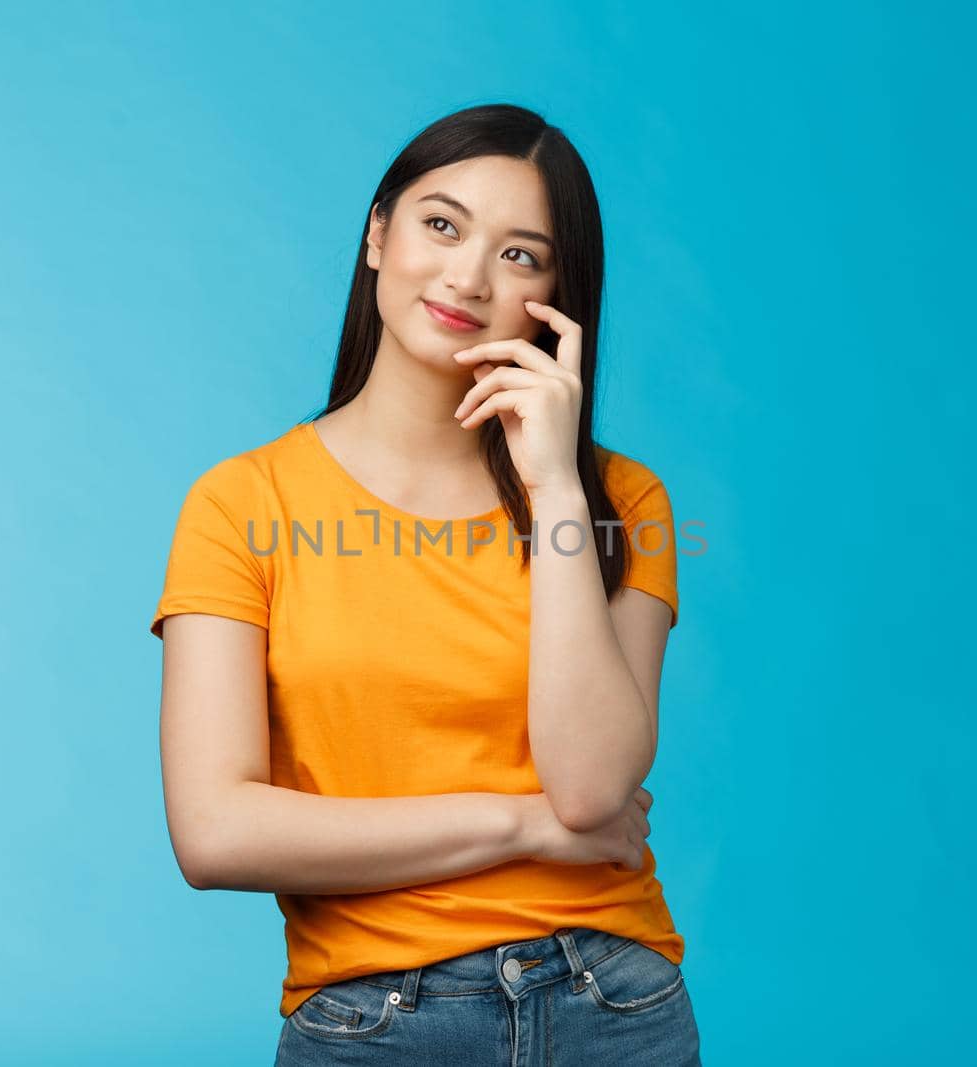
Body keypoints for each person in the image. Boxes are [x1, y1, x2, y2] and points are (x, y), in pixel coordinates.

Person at [149, 103, 700, 1065]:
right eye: (441, 224)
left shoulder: (619, 500)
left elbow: (592, 786)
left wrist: (556, 484)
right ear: (376, 234)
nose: (468, 278)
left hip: (612, 1001)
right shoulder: (242, 503)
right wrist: (520, 823)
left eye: (521, 255)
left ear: (559, 294)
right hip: (372, 1017)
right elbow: (214, 831)